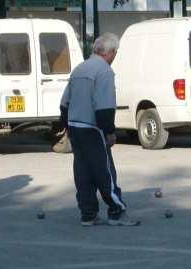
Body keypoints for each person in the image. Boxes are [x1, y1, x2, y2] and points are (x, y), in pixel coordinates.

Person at [60, 33, 139, 227]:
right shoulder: (104, 71)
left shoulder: (79, 69)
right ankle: (116, 211)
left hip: (75, 126)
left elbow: (64, 103)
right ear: (111, 52)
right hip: (92, 128)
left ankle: (88, 214)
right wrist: (110, 132)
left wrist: (66, 126)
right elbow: (104, 107)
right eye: (115, 52)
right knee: (104, 172)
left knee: (83, 171)